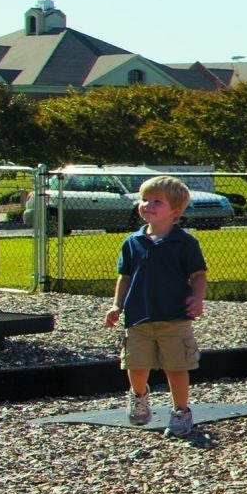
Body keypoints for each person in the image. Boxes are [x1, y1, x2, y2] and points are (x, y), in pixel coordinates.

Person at [104, 175, 209, 438]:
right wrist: (117, 305)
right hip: (138, 317)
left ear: (174, 211)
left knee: (176, 367)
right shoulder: (132, 242)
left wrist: (197, 299)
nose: (147, 205)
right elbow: (125, 277)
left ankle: (180, 410)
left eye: (156, 201)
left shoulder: (185, 243)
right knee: (136, 366)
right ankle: (139, 395)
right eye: (144, 200)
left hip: (174, 317)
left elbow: (198, 275)